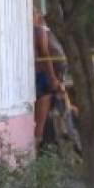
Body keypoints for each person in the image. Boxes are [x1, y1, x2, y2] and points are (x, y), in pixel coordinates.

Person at [34, 11, 63, 144]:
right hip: (38, 76)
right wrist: (53, 78)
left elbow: (46, 54)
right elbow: (46, 54)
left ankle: (38, 139)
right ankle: (38, 140)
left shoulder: (38, 31)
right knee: (40, 118)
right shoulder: (39, 31)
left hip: (33, 76)